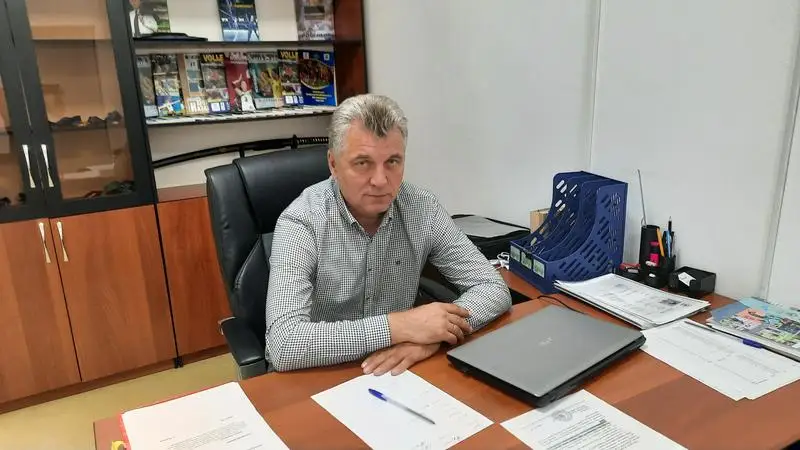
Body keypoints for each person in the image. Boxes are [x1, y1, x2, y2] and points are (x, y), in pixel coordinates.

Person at [265, 94, 512, 376]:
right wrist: (401, 326)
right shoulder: (302, 221)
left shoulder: (422, 209)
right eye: (363, 163)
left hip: (398, 369)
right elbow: (285, 344)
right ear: (333, 164)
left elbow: (493, 288)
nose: (381, 181)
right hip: (319, 373)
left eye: (393, 161)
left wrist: (435, 336)